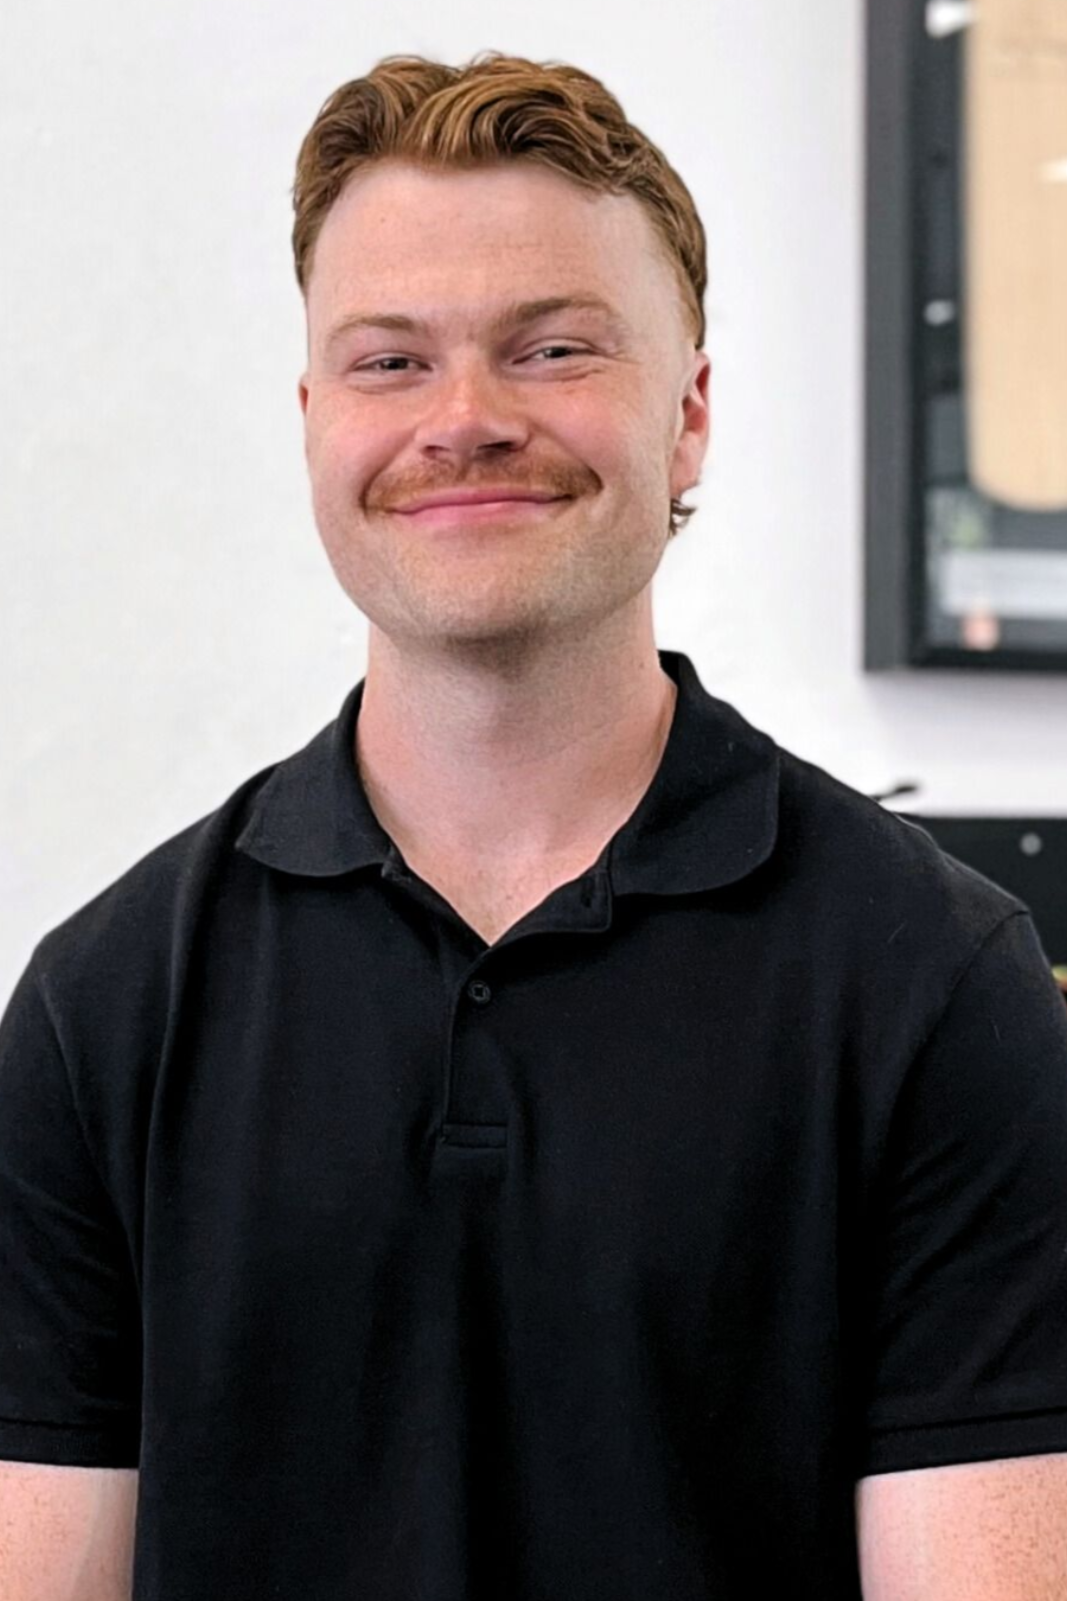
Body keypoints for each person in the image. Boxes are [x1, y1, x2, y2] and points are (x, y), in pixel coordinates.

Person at [2, 50, 1067, 1601]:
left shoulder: (934, 986)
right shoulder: (105, 1012)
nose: (466, 419)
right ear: (314, 422)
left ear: (688, 412)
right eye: (388, 362)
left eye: (552, 348)